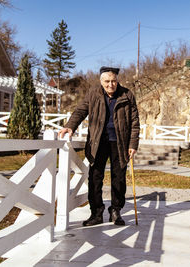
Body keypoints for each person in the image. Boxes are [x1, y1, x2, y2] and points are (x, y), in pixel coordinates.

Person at [58, 66, 140, 226]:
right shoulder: (93, 94)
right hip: (97, 142)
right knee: (95, 178)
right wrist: (70, 126)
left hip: (120, 143)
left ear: (118, 80)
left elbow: (135, 122)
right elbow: (80, 110)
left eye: (114, 81)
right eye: (107, 81)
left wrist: (133, 143)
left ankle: (115, 211)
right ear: (101, 81)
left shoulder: (127, 95)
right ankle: (96, 212)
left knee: (119, 179)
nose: (111, 85)